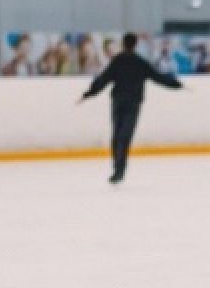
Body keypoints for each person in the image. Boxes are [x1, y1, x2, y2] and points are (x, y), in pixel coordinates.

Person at [78, 31, 182, 184]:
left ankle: (117, 168)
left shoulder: (117, 61)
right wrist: (176, 84)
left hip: (118, 101)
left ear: (123, 43)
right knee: (125, 136)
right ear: (135, 44)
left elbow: (103, 79)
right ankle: (119, 170)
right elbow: (158, 77)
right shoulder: (140, 62)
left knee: (117, 134)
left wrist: (89, 93)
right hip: (133, 103)